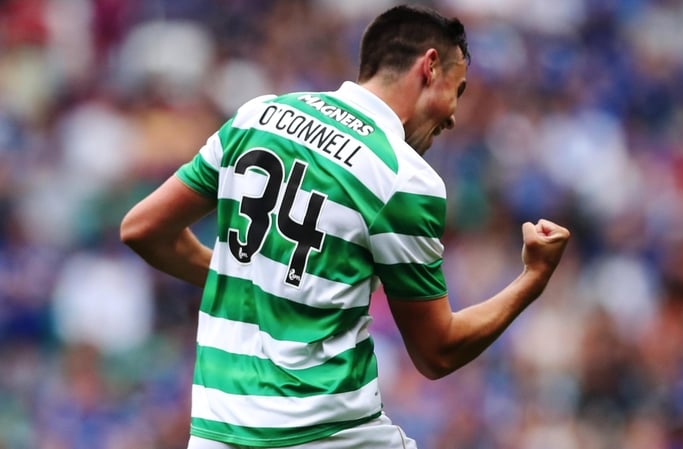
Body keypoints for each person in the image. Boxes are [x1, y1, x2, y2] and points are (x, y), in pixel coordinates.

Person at [120, 4, 570, 449]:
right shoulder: (401, 176)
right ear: (430, 66)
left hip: (215, 436)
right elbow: (438, 352)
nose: (453, 115)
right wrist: (534, 278)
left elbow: (143, 228)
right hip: (328, 435)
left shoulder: (257, 117)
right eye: (459, 89)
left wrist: (256, 278)